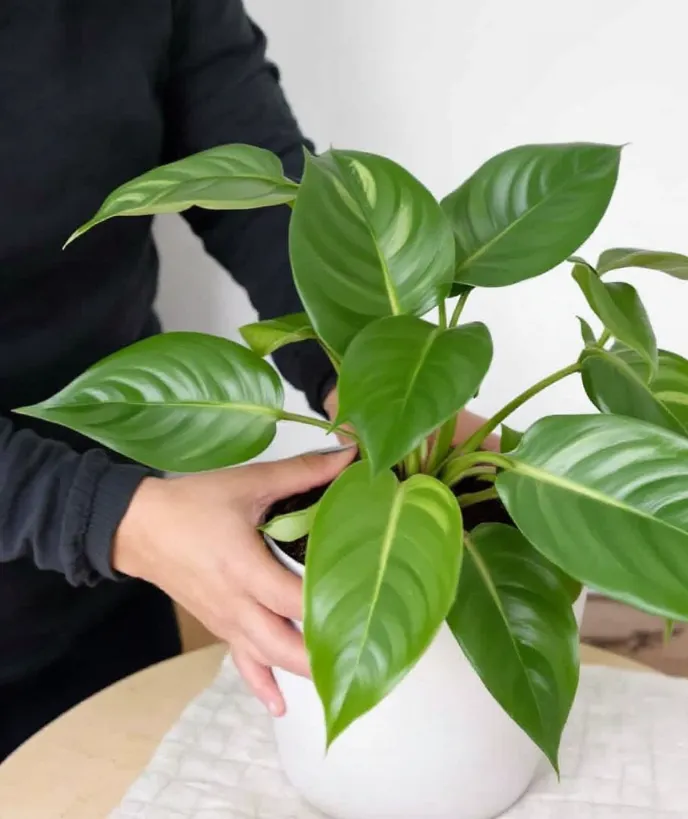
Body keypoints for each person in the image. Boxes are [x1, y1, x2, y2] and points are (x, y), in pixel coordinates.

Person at [0, 1, 489, 761]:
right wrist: (111, 516)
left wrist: (371, 377)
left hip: (102, 601)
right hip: (104, 528)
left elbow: (258, 182)